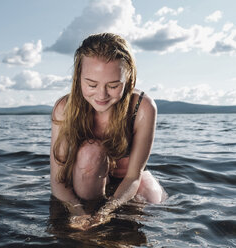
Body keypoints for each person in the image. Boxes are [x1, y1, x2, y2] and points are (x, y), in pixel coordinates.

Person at [50, 33, 166, 230]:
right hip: (87, 180)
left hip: (128, 179)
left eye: (113, 85)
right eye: (91, 84)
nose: (101, 95)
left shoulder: (142, 107)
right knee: (90, 152)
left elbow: (133, 176)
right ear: (78, 77)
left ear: (128, 78)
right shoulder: (64, 108)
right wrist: (79, 212)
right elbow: (57, 181)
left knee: (155, 207)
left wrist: (107, 211)